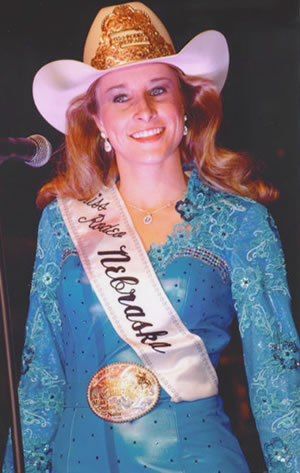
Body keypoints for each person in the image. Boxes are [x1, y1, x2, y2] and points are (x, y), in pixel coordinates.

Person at [3, 2, 300, 473]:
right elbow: (41, 380)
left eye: (158, 90)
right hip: (75, 458)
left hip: (196, 456)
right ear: (98, 120)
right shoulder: (62, 223)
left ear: (184, 105)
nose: (143, 110)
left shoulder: (241, 223)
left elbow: (278, 385)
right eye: (120, 97)